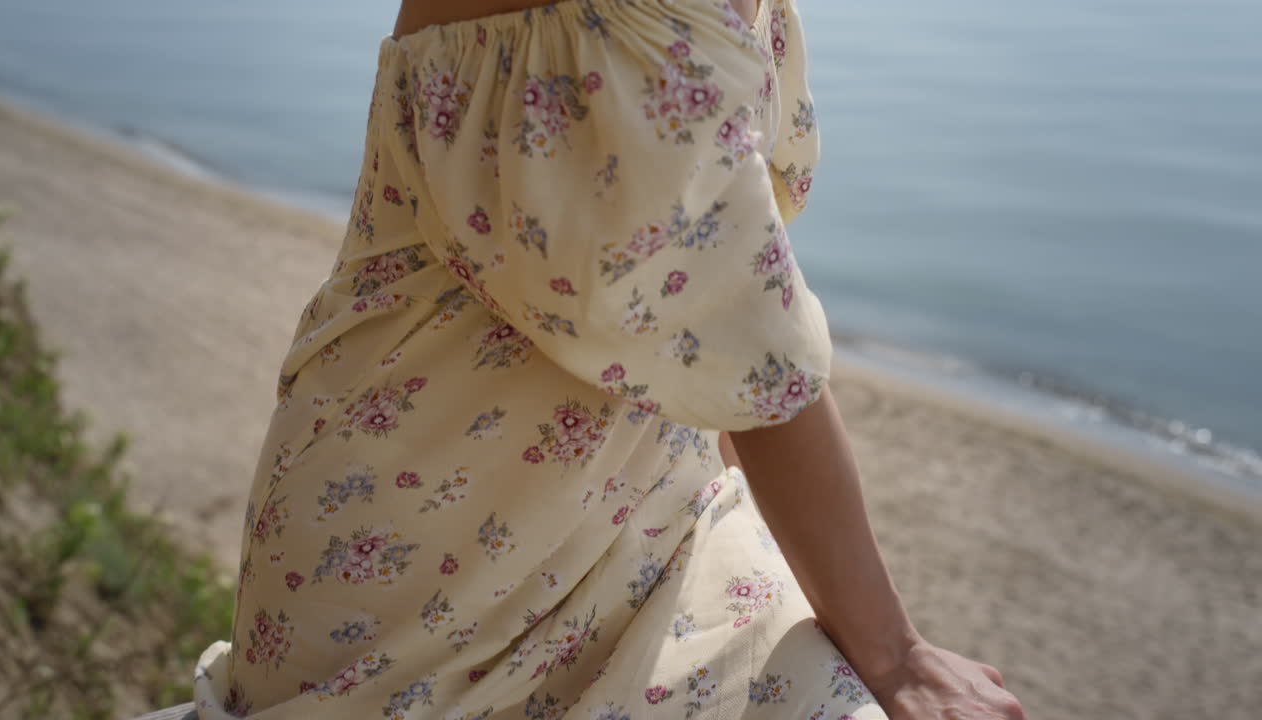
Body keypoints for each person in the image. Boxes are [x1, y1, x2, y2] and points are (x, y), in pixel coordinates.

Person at [193, 0, 1027, 718]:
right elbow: (731, 329)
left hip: (660, 514)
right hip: (418, 574)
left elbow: (705, 336)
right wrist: (894, 654)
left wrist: (771, 539)